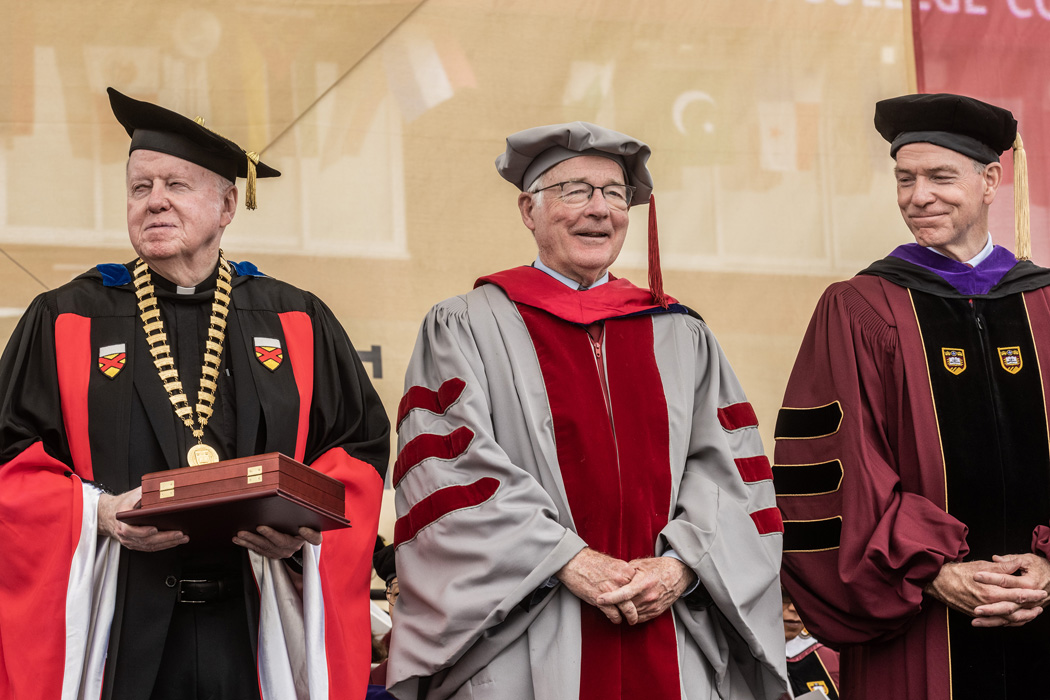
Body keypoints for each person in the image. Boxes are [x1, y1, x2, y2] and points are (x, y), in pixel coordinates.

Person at [0, 88, 390, 700]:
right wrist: (97, 513)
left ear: (228, 203)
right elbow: (9, 461)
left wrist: (300, 532)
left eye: (176, 185)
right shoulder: (68, 317)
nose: (154, 201)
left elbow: (357, 452)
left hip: (256, 621)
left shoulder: (295, 318)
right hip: (120, 623)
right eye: (139, 187)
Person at [386, 122, 788, 699]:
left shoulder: (679, 333)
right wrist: (566, 559)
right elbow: (450, 469)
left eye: (615, 194)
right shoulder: (467, 325)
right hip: (532, 624)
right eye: (575, 190)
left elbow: (729, 470)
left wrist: (681, 565)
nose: (599, 210)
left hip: (669, 626)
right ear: (529, 210)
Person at [774, 92, 1050, 700]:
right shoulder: (860, 308)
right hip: (919, 622)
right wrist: (932, 570)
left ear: (990, 182)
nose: (918, 196)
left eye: (939, 177)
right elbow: (838, 471)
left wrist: (1047, 566)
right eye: (905, 179)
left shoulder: (1042, 303)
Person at [782, 589, 839, 699]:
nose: (793, 608)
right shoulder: (743, 657)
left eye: (801, 599)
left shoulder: (831, 661)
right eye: (784, 598)